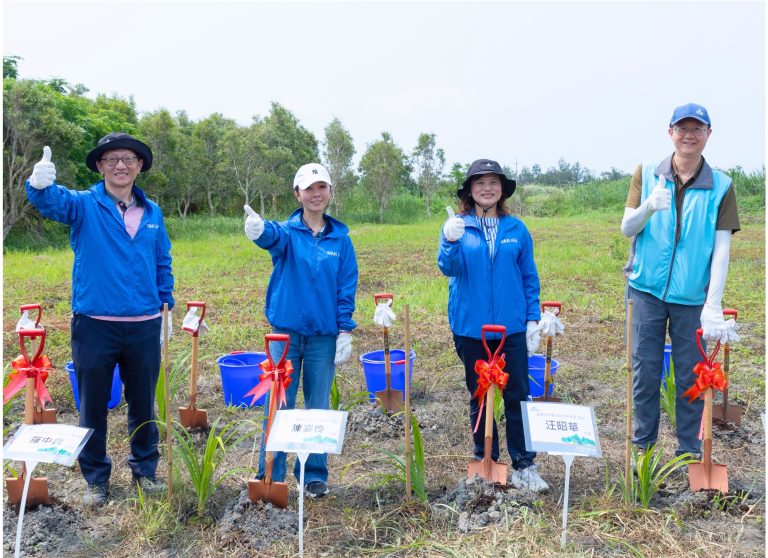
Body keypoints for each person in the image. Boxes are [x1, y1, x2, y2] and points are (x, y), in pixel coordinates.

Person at [26, 133, 175, 506]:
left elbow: (162, 262)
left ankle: (145, 470)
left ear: (140, 166)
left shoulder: (153, 212)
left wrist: (165, 307)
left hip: (143, 324)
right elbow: (50, 201)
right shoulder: (83, 205)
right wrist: (38, 184)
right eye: (111, 159)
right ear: (99, 166)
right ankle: (96, 479)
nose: (120, 165)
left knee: (143, 402)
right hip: (94, 323)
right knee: (92, 405)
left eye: (128, 159)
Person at [620, 103, 740, 460]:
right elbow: (627, 227)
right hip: (645, 292)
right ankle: (644, 449)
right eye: (682, 128)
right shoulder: (646, 173)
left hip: (691, 297)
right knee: (645, 370)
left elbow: (721, 250)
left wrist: (712, 305)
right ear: (670, 132)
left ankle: (688, 452)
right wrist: (648, 208)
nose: (689, 135)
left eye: (697, 129)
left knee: (691, 376)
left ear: (708, 135)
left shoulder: (721, 186)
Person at [244, 162, 358, 498]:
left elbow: (345, 287)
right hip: (286, 335)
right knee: (279, 403)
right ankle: (271, 471)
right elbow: (271, 238)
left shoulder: (341, 239)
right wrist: (259, 229)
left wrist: (345, 330)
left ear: (330, 192)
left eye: (322, 187)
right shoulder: (287, 233)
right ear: (298, 194)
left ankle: (312, 474)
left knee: (318, 405)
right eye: (309, 189)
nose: (316, 194)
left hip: (324, 337)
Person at [437, 158, 551, 493]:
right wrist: (448, 239)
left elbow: (529, 277)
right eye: (480, 183)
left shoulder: (516, 230)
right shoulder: (458, 225)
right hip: (471, 329)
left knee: (517, 394)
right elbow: (448, 267)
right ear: (469, 191)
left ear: (501, 190)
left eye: (493, 183)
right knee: (479, 395)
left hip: (511, 328)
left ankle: (525, 465)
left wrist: (532, 319)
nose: (487, 189)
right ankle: (485, 457)